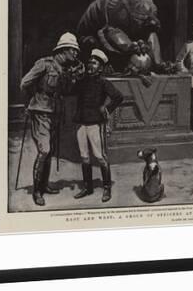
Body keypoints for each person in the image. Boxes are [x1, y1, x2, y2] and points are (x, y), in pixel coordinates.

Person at [20, 32, 81, 206]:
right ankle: (37, 191)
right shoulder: (44, 64)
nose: (76, 54)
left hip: (55, 112)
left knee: (50, 151)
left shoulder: (65, 69)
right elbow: (24, 82)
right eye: (73, 50)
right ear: (63, 50)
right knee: (44, 150)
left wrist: (74, 79)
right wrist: (33, 99)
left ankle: (45, 185)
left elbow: (67, 91)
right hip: (41, 111)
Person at [72, 49, 124, 202]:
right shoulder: (81, 81)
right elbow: (68, 91)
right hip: (81, 123)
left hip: (95, 123)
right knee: (84, 157)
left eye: (94, 63)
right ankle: (88, 188)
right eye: (89, 62)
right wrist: (73, 77)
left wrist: (106, 108)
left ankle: (107, 188)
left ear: (100, 67)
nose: (90, 65)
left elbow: (118, 97)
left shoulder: (103, 82)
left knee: (100, 157)